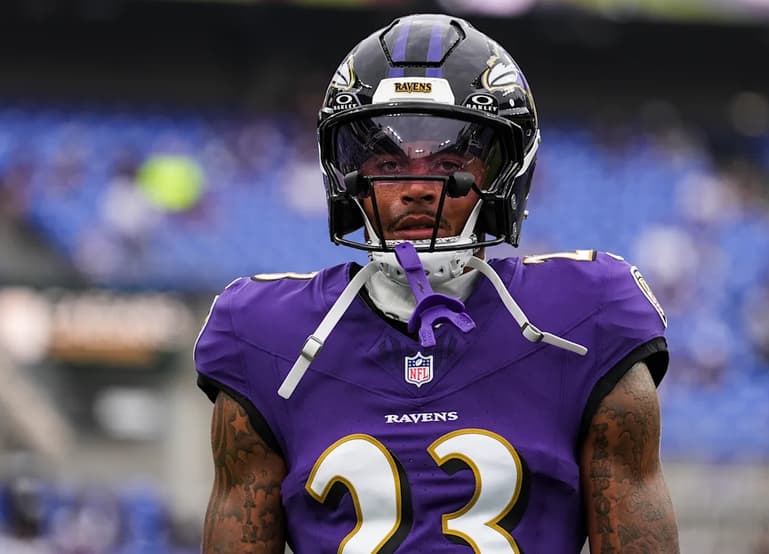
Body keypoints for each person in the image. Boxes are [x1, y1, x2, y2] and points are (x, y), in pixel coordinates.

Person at [195, 13, 679, 553]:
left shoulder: (588, 315)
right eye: (387, 164)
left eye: (450, 163)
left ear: (506, 173)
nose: (418, 188)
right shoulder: (264, 333)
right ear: (347, 178)